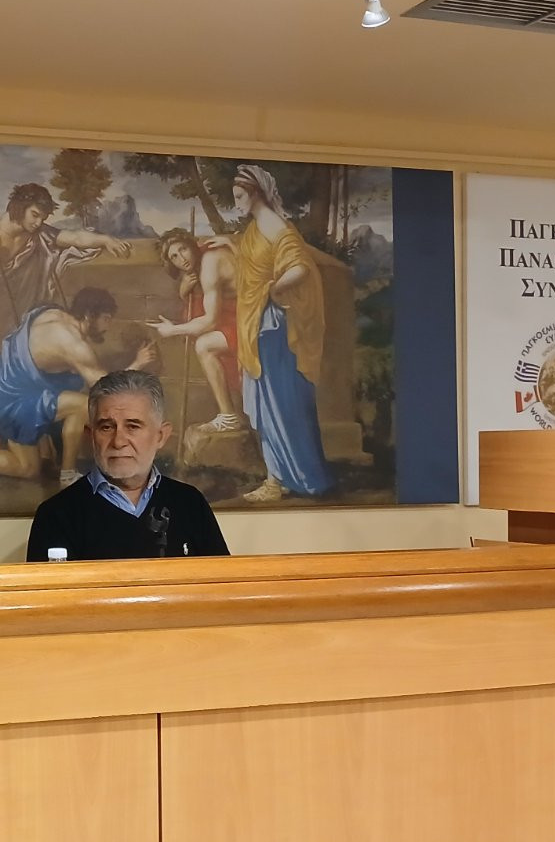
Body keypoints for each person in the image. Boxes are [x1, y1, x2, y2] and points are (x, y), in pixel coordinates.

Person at [0, 182, 132, 455]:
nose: (39, 221)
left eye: (43, 216)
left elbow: (74, 237)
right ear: (19, 207)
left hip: (8, 311)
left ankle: (0, 429)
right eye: (35, 214)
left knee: (0, 372)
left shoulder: (37, 234)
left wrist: (105, 240)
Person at [0, 287, 156, 487]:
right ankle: (68, 473)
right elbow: (104, 389)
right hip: (15, 400)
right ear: (89, 315)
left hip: (3, 387)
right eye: (106, 318)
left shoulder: (52, 314)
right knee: (84, 405)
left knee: (27, 468)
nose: (108, 326)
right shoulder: (74, 344)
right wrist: (137, 364)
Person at [215, 164, 335, 502]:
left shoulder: (274, 224)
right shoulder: (258, 227)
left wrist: (272, 289)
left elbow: (299, 267)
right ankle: (280, 477)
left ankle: (278, 480)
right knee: (270, 402)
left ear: (255, 193)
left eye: (240, 196)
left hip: (272, 327)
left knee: (276, 404)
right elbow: (257, 264)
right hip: (260, 324)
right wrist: (232, 245)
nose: (237, 203)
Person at [25, 370, 228, 562]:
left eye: (132, 426)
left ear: (160, 436)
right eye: (106, 427)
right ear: (90, 436)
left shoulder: (190, 503)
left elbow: (224, 583)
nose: (118, 441)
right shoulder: (56, 515)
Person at [146, 227, 247, 431]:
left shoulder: (209, 262)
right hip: (242, 315)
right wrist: (184, 290)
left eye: (183, 249)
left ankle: (229, 417)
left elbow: (209, 321)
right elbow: (203, 304)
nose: (181, 259)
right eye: (174, 257)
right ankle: (234, 414)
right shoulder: (200, 263)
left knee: (205, 345)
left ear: (192, 246)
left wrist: (173, 330)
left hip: (255, 319)